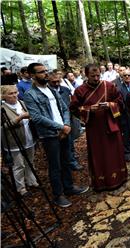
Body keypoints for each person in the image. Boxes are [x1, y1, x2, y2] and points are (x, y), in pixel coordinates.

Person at [24, 63, 88, 207]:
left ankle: (69, 187)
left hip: (64, 131)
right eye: (41, 72)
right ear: (33, 75)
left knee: (66, 160)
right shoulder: (30, 94)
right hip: (50, 135)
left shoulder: (51, 89)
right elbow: (37, 117)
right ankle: (58, 195)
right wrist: (61, 127)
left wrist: (66, 125)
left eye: (46, 71)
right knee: (55, 165)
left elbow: (64, 108)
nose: (46, 74)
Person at [70, 64, 127, 190]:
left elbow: (120, 102)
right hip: (94, 129)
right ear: (86, 75)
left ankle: (119, 177)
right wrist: (89, 109)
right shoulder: (80, 90)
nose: (96, 78)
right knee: (99, 154)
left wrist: (110, 105)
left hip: (111, 124)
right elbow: (73, 108)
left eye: (98, 75)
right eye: (92, 76)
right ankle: (101, 182)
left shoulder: (109, 86)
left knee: (114, 152)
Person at [1, 85, 38, 196]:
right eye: (10, 93)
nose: (14, 95)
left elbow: (32, 115)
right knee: (18, 165)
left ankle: (31, 181)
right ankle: (20, 188)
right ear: (3, 96)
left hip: (28, 138)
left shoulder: (22, 103)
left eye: (15, 92)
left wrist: (31, 116)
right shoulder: (2, 109)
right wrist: (19, 118)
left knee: (30, 161)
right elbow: (2, 127)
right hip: (13, 142)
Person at [48, 72, 83, 171]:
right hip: (55, 122)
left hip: (68, 119)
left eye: (58, 81)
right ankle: (63, 162)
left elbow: (70, 104)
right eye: (53, 82)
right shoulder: (48, 92)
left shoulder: (65, 89)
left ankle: (71, 161)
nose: (56, 84)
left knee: (70, 141)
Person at [114, 69, 130, 162]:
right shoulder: (118, 89)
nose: (127, 77)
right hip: (125, 114)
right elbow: (118, 102)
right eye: (125, 76)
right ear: (122, 78)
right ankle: (128, 153)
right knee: (126, 133)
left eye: (129, 75)